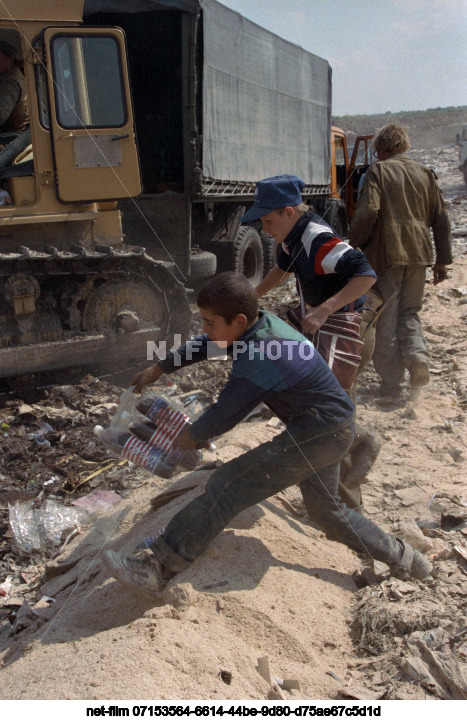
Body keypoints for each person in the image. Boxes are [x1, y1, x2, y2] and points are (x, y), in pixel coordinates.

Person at [103, 272, 432, 595]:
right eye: (202, 320)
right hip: (335, 425)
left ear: (240, 320)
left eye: (210, 321)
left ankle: (158, 567)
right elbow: (206, 345)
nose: (204, 328)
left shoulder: (259, 354)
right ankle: (407, 559)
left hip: (318, 433)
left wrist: (187, 438)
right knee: (327, 512)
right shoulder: (261, 326)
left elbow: (224, 415)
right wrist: (158, 369)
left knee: (227, 485)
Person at [248, 174, 378, 512]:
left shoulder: (317, 239)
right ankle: (333, 488)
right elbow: (280, 269)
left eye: (268, 220)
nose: (264, 228)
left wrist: (324, 309)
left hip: (348, 333)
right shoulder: (292, 237)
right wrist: (249, 299)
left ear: (289, 211)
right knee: (325, 413)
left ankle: (344, 508)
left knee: (330, 418)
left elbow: (366, 274)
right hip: (328, 329)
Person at [349, 123, 452, 397]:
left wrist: (354, 242)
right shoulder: (425, 173)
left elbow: (368, 211)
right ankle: (418, 358)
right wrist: (442, 260)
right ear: (404, 146)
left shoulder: (378, 171)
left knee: (386, 319)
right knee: (410, 312)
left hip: (387, 255)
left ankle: (392, 385)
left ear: (381, 150)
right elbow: (441, 219)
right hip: (420, 255)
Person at [0, 40, 28, 135]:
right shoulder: (14, 75)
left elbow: (0, 116)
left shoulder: (11, 82)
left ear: (11, 59)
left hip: (13, 138)